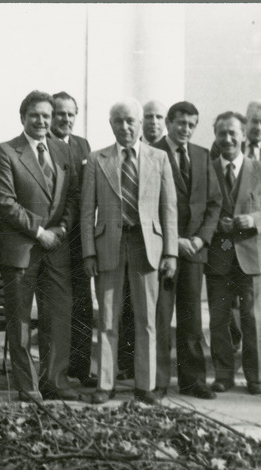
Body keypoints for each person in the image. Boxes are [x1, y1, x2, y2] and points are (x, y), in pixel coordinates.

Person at [81, 98, 178, 405]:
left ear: (141, 124)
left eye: (130, 121)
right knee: (108, 317)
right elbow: (87, 211)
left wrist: (171, 253)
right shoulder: (98, 159)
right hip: (109, 244)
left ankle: (145, 385)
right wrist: (88, 253)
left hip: (146, 245)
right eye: (118, 121)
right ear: (111, 125)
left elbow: (169, 209)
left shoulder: (159, 158)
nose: (124, 127)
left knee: (146, 319)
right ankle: (105, 384)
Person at [0, 90, 80, 403]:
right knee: (20, 322)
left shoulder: (63, 152)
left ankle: (54, 381)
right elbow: (5, 202)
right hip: (21, 251)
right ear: (23, 117)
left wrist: (62, 228)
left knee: (57, 318)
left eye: (47, 115)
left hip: (57, 249)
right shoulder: (6, 152)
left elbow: (72, 196)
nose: (42, 121)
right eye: (35, 115)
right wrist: (39, 231)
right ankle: (27, 386)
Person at [206, 111, 261, 395]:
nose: (227, 139)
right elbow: (200, 210)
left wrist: (253, 220)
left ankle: (255, 376)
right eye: (221, 133)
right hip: (221, 250)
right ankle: (223, 375)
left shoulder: (259, 169)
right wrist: (216, 226)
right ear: (215, 136)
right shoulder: (208, 168)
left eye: (232, 133)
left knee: (252, 319)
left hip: (252, 254)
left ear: (242, 134)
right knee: (219, 319)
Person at [152, 101, 222, 399]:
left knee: (191, 318)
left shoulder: (203, 155)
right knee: (160, 317)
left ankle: (193, 380)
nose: (186, 129)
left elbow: (214, 202)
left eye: (192, 124)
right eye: (180, 122)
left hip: (194, 251)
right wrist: (173, 240)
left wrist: (201, 239)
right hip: (161, 251)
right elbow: (145, 205)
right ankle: (156, 382)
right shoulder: (151, 153)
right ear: (168, 123)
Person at [48, 91, 96, 389]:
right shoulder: (45, 144)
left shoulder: (82, 145)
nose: (65, 119)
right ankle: (58, 372)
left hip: (81, 237)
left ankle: (81, 368)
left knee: (82, 305)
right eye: (59, 114)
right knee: (59, 307)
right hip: (55, 237)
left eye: (70, 114)